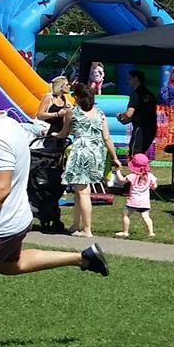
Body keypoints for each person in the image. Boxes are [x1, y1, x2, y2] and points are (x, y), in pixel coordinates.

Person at [0, 85, 111, 347]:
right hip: (17, 220)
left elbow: (0, 188)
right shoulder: (10, 125)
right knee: (11, 264)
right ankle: (82, 258)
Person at [62, 86, 119, 238]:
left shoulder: (72, 112)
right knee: (78, 192)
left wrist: (55, 135)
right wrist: (114, 157)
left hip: (81, 151)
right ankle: (75, 224)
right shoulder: (100, 114)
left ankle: (87, 229)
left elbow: (64, 133)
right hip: (96, 152)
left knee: (83, 192)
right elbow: (107, 137)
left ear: (78, 98)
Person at [118, 70, 159, 161]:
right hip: (152, 128)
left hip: (140, 128)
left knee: (135, 155)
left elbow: (129, 114)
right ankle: (141, 173)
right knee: (141, 154)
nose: (127, 82)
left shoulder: (136, 94)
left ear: (136, 79)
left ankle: (136, 174)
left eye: (129, 79)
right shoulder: (150, 94)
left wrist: (120, 115)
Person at [116, 152, 158, 238]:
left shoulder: (132, 175)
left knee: (126, 215)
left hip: (133, 201)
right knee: (146, 217)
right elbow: (154, 187)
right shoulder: (150, 175)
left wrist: (118, 171)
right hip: (145, 202)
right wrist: (152, 186)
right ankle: (151, 232)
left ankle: (125, 232)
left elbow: (121, 180)